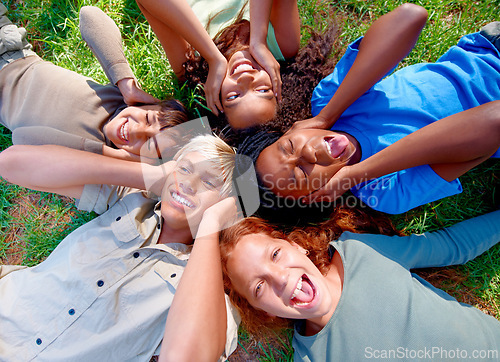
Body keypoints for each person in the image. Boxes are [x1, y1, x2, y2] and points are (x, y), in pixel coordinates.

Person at [0, 133, 253, 361]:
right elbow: (10, 163)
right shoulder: (129, 201)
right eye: (184, 169)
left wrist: (211, 224)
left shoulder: (204, 289)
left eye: (209, 183)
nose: (188, 183)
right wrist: (149, 176)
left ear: (227, 207)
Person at [238, 4, 500, 215]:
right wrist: (357, 173)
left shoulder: (329, 102)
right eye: (300, 173)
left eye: (290, 146)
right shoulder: (384, 191)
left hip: (488, 49)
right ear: (316, 196)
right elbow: (494, 122)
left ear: (292, 130)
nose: (307, 151)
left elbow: (410, 17)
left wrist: (327, 115)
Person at [219, 210, 500, 361]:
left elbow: (450, 246)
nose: (280, 278)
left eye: (276, 254)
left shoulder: (359, 252)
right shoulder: (309, 357)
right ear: (261, 311)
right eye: (258, 287)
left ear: (295, 245)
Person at [0, 5, 188, 161]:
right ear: (147, 104)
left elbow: (22, 137)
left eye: (149, 143)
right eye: (147, 118)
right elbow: (89, 16)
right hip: (11, 50)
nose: (136, 129)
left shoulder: (94, 156)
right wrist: (125, 82)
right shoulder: (118, 99)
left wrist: (114, 157)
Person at [135, 0, 302, 130]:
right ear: (279, 88)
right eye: (262, 90)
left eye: (233, 97)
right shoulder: (283, 44)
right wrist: (258, 40)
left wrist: (213, 57)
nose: (245, 79)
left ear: (216, 100)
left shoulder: (192, 66)